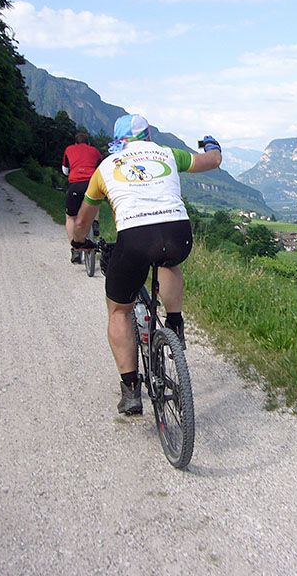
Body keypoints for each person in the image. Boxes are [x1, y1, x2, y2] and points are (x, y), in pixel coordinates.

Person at [72, 114, 222, 415]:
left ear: (118, 139)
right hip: (179, 234)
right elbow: (212, 161)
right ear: (148, 135)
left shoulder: (105, 168)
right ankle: (175, 323)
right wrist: (211, 144)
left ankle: (130, 391)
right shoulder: (167, 153)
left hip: (135, 238)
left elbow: (83, 220)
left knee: (119, 311)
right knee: (168, 261)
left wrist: (78, 242)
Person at [62, 132, 102, 263]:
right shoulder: (95, 151)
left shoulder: (69, 149)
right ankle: (95, 222)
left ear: (75, 143)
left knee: (71, 216)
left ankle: (75, 250)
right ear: (89, 143)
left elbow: (65, 170)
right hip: (91, 183)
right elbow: (100, 170)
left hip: (75, 184)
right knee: (96, 199)